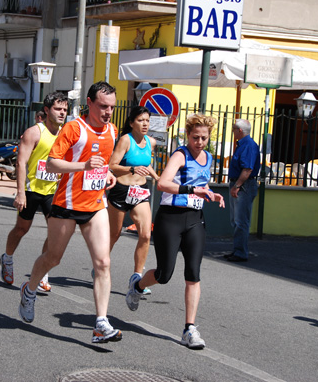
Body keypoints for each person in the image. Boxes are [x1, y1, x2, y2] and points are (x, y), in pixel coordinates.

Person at [18, 81, 122, 344]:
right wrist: (83, 166)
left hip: (95, 205)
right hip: (66, 205)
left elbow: (103, 164)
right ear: (89, 103)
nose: (108, 111)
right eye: (103, 106)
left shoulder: (112, 130)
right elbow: (52, 163)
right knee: (53, 258)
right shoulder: (75, 128)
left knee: (103, 263)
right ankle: (30, 289)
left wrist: (107, 173)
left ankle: (101, 323)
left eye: (112, 106)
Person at [125, 114, 225, 350]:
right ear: (188, 135)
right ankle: (137, 287)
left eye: (204, 138)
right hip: (171, 218)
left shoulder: (208, 157)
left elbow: (203, 184)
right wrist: (193, 190)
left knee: (193, 273)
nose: (199, 142)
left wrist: (210, 193)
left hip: (195, 220)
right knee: (164, 274)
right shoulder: (180, 155)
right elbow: (162, 183)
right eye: (195, 137)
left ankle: (189, 328)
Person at [0, 92, 68, 292]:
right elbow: (21, 162)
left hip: (53, 191)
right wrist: (20, 192)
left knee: (55, 234)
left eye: (65, 109)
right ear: (47, 110)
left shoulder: (66, 133)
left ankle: (42, 274)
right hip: (31, 189)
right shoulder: (34, 132)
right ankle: (8, 258)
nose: (62, 113)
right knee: (22, 229)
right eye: (58, 109)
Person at [107, 106, 159, 296]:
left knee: (145, 234)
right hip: (121, 190)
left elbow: (147, 164)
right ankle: (101, 263)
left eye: (147, 120)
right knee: (114, 234)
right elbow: (112, 165)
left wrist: (157, 177)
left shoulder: (150, 142)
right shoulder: (125, 140)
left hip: (140, 191)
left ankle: (137, 277)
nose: (145, 124)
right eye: (140, 120)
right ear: (131, 123)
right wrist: (131, 170)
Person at [224, 119, 260, 262]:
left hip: (243, 185)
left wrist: (237, 186)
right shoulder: (244, 145)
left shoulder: (248, 146)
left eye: (233, 129)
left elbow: (247, 169)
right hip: (241, 184)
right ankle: (238, 250)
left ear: (239, 130)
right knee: (237, 220)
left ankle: (240, 252)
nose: (232, 131)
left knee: (240, 221)